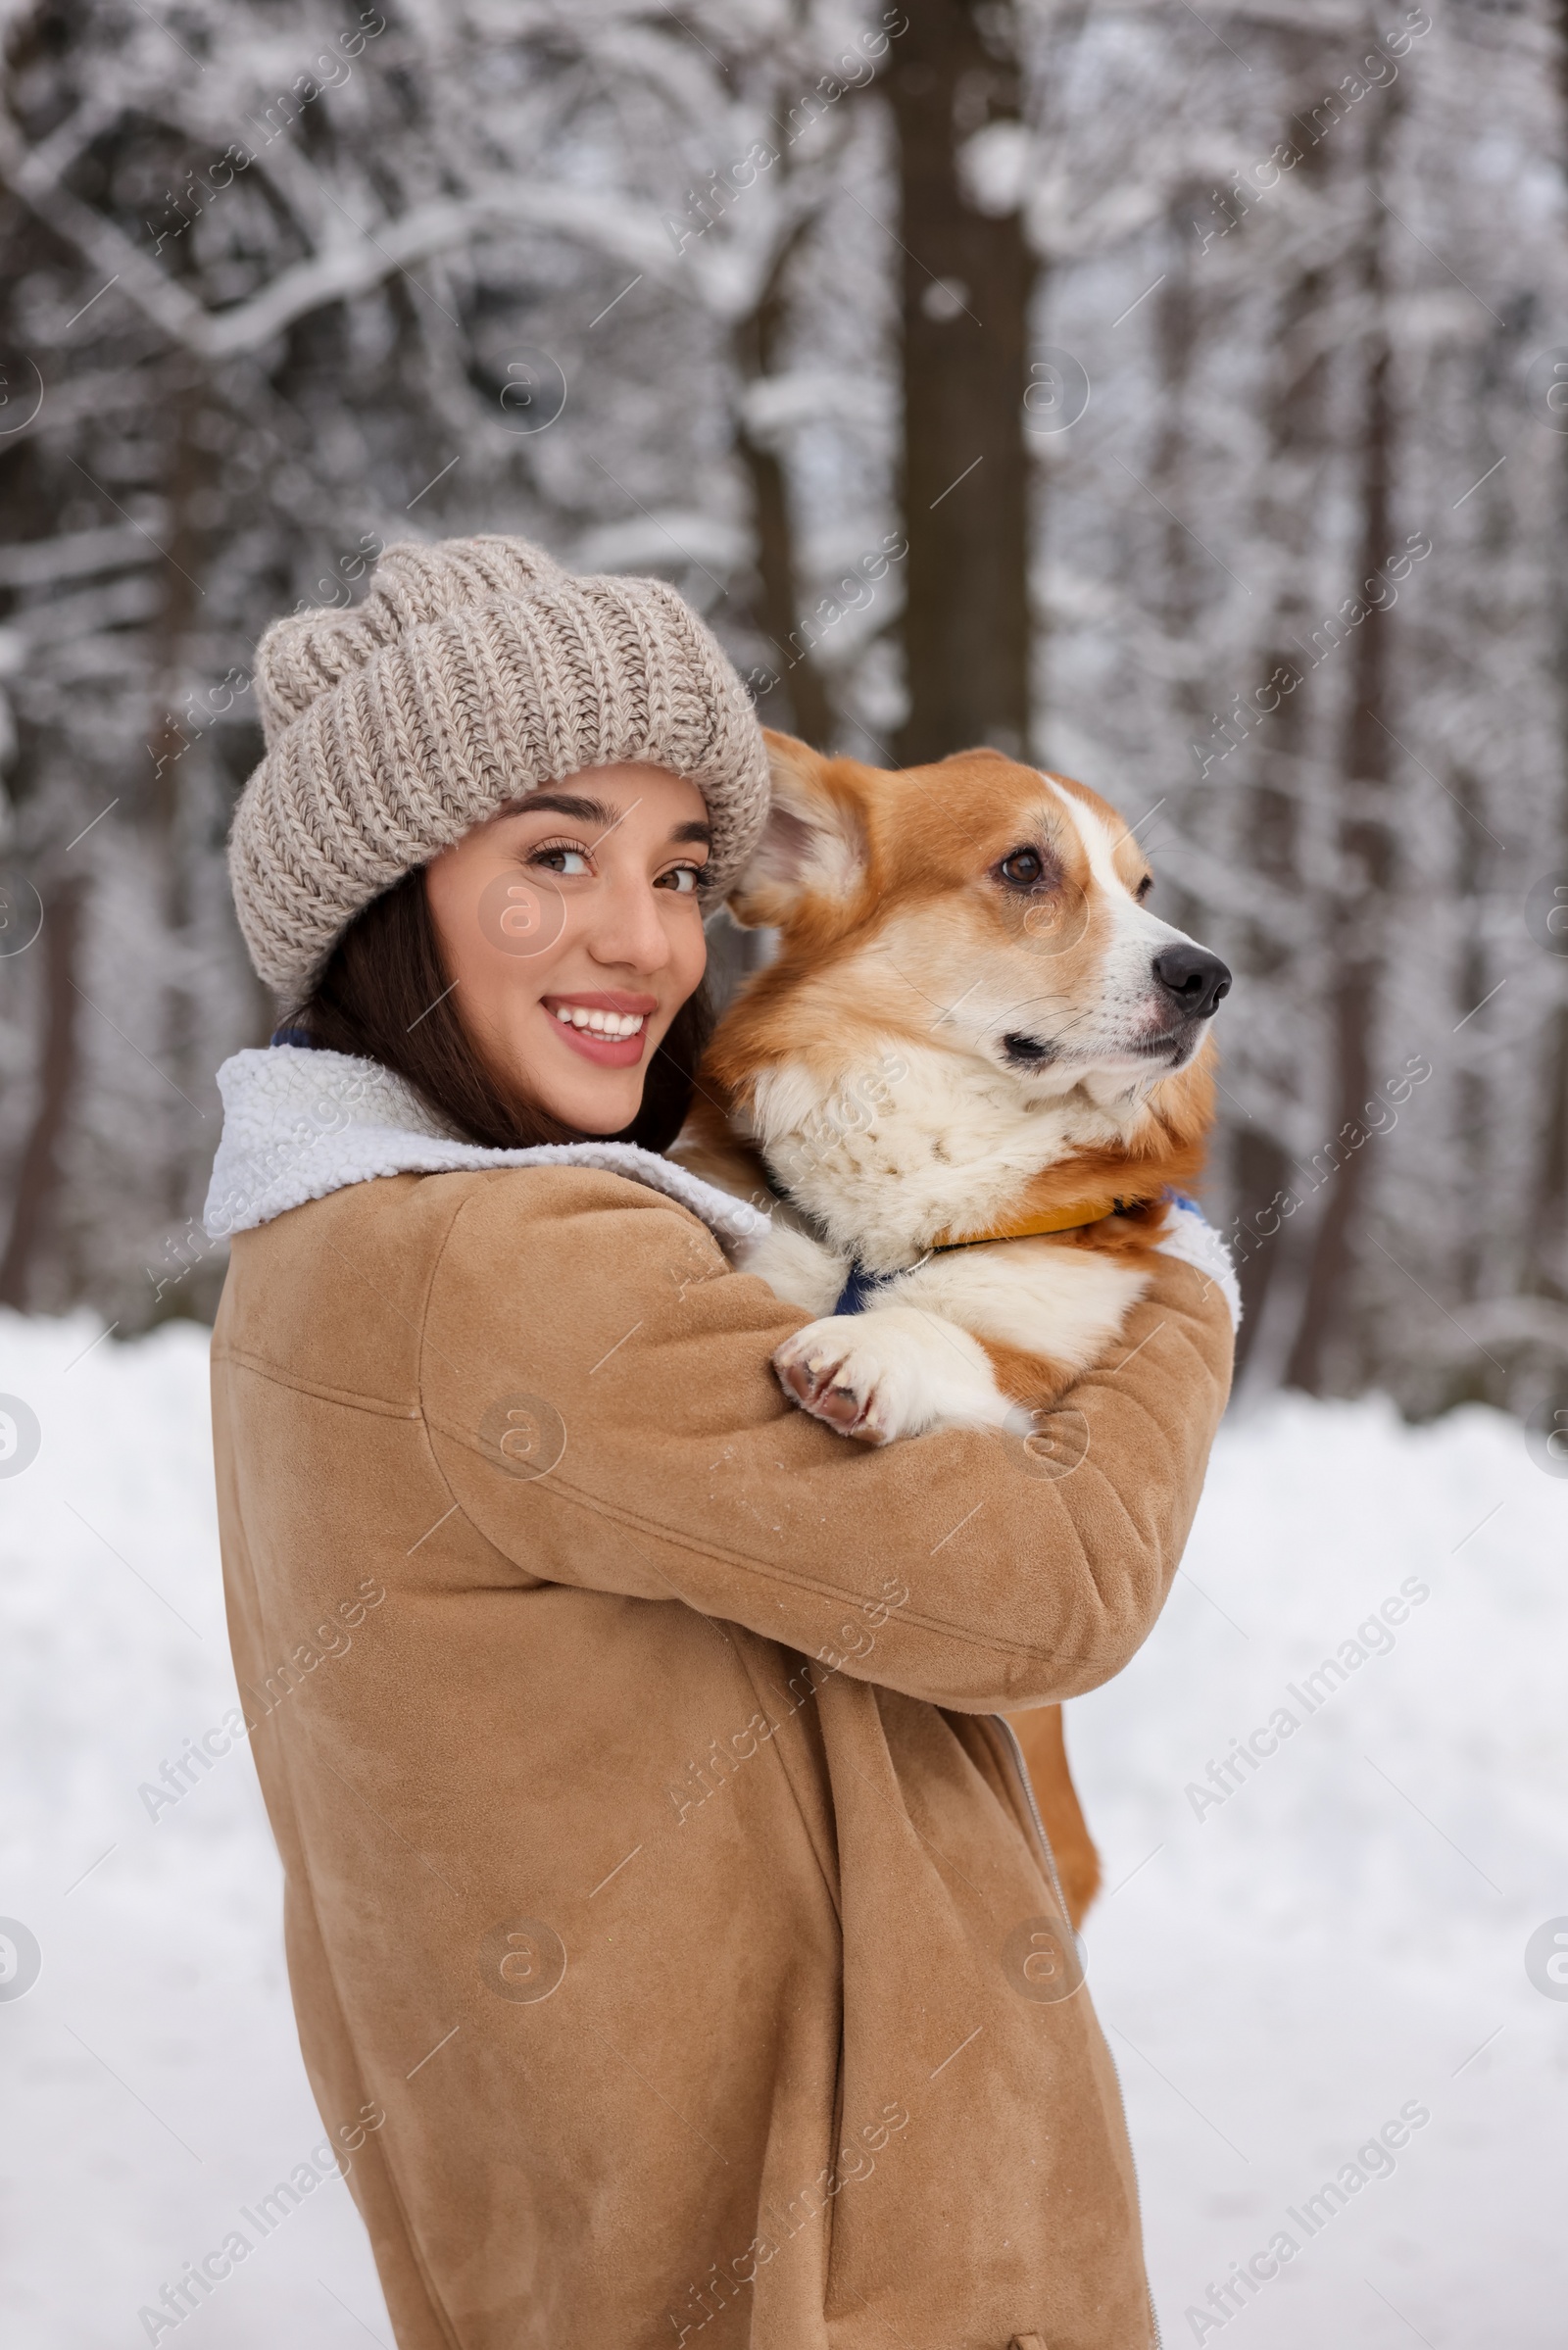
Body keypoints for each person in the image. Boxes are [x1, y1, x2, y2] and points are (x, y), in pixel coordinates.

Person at [207, 534, 1235, 2350]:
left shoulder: (382, 1237)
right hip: (825, 2288)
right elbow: (1045, 1587)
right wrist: (1167, 1269)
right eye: (552, 856)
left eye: (682, 868)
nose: (644, 934)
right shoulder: (501, 1267)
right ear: (385, 901)